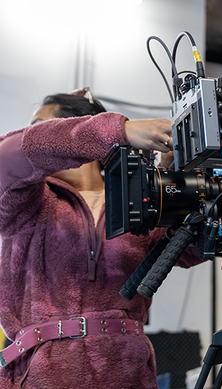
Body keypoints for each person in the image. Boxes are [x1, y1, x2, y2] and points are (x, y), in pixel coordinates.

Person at [0, 90, 202, 388]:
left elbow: (194, 246)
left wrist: (180, 184)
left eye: (40, 124)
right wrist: (119, 130)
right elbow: (9, 154)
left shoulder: (140, 204)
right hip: (40, 377)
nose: (31, 134)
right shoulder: (22, 200)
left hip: (128, 376)